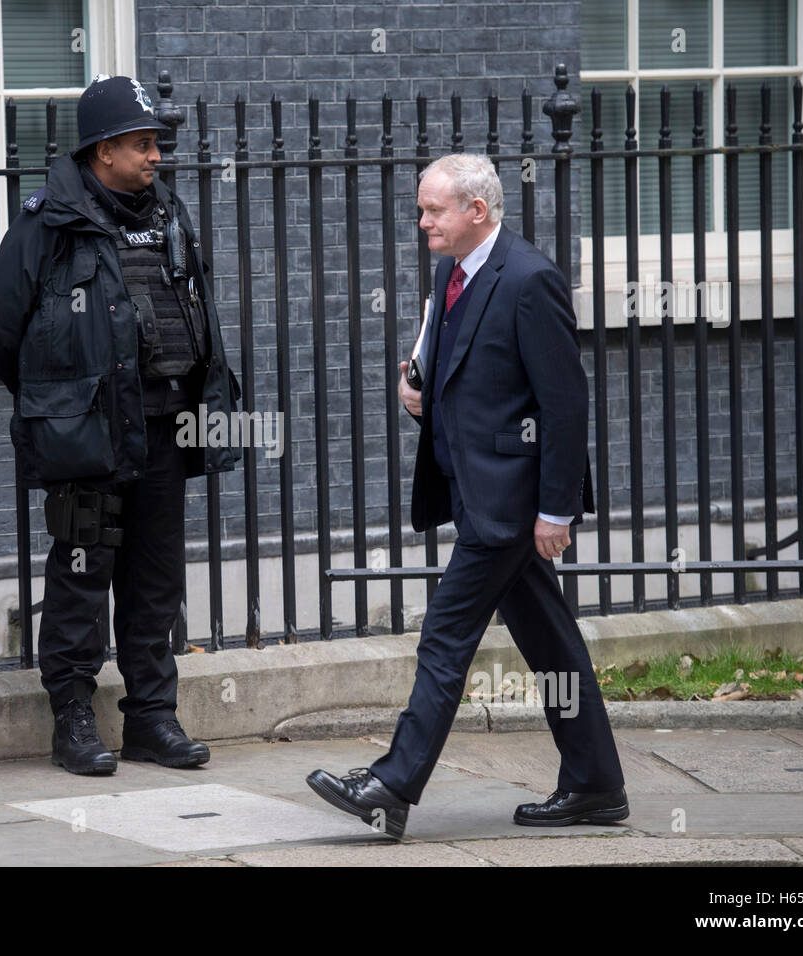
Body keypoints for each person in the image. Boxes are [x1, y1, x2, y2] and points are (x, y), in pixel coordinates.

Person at [306, 154, 627, 838]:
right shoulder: (452, 270)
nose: (422, 221)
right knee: (553, 644)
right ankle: (597, 784)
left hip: (511, 502)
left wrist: (556, 509)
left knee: (444, 636)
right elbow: (451, 372)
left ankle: (392, 784)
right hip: (472, 488)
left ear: (476, 211)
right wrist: (413, 391)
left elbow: (565, 404)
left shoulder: (530, 277)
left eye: (433, 210)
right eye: (422, 210)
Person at [0, 75, 240, 776]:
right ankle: (72, 721)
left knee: (156, 582)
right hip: (91, 437)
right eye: (142, 144)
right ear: (103, 152)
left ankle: (153, 720)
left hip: (166, 429)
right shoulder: (49, 221)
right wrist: (64, 399)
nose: (156, 156)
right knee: (83, 580)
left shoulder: (166, 212)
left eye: (156, 144)